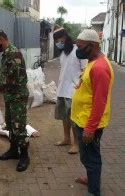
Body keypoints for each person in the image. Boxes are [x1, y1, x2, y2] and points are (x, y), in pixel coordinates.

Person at [71, 29, 114, 196]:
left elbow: (99, 101)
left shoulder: (100, 68)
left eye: (80, 46)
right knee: (87, 156)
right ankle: (91, 179)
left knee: (92, 159)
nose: (78, 49)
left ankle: (94, 190)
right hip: (83, 119)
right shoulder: (92, 61)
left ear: (92, 45)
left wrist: (90, 128)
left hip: (89, 123)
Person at [0, 30, 30, 172]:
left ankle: (24, 156)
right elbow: (5, 75)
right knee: (11, 125)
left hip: (17, 96)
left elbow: (12, 79)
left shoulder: (13, 53)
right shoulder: (6, 54)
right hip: (10, 96)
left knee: (18, 126)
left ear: (2, 39)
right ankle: (13, 150)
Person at [53, 27, 87, 154]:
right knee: (64, 117)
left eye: (59, 39)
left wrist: (80, 86)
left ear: (65, 37)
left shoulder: (78, 51)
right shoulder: (62, 53)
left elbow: (85, 70)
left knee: (74, 119)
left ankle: (76, 143)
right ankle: (66, 139)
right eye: (56, 40)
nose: (58, 42)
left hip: (73, 90)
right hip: (62, 89)